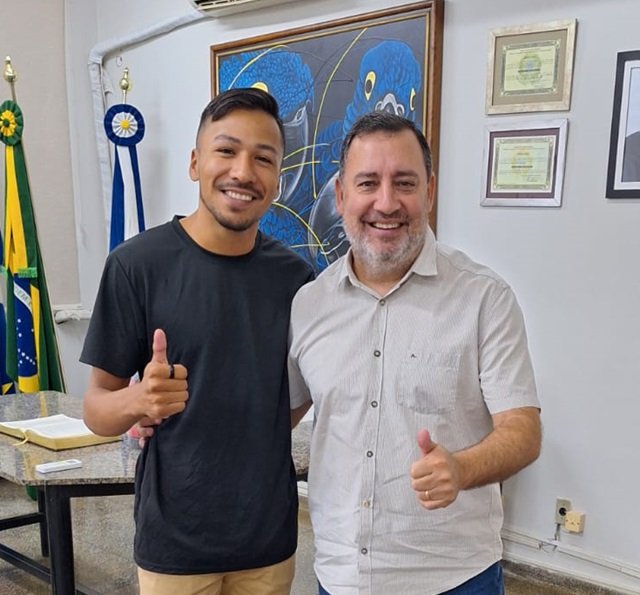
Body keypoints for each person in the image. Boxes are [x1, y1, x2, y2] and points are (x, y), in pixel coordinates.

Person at [288, 112, 542, 595]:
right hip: (341, 575)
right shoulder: (309, 304)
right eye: (368, 183)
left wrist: (462, 468)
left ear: (429, 192)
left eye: (404, 183)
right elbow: (277, 415)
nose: (386, 203)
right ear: (341, 195)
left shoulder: (484, 298)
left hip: (453, 577)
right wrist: (168, 413)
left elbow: (523, 433)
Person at [81, 88, 314, 595]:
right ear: (195, 163)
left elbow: (295, 394)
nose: (243, 171)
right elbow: (97, 410)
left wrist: (251, 423)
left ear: (278, 179)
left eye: (263, 158)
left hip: (270, 539)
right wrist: (139, 400)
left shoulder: (296, 279)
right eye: (226, 150)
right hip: (175, 544)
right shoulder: (136, 266)